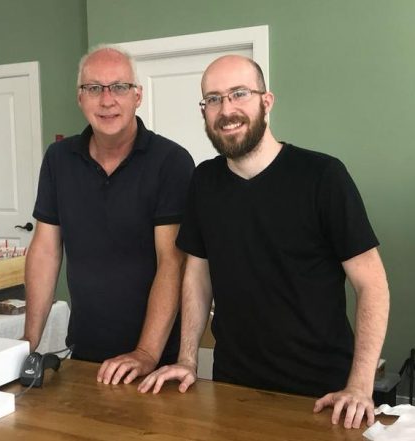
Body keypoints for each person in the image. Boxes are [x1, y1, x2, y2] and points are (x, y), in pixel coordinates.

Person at [138, 55, 390, 430]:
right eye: (213, 99)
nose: (227, 110)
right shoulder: (204, 181)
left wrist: (360, 386)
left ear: (266, 101)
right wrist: (187, 359)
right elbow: (197, 275)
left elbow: (372, 285)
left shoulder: (323, 176)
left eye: (239, 93)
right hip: (233, 389)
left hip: (322, 396)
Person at [23, 45, 195, 386]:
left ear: (137, 96)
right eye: (94, 88)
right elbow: (45, 251)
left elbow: (172, 262)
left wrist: (145, 353)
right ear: (80, 98)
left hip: (155, 363)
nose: (107, 100)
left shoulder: (171, 162)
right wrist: (28, 341)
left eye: (119, 87)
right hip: (84, 354)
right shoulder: (59, 159)